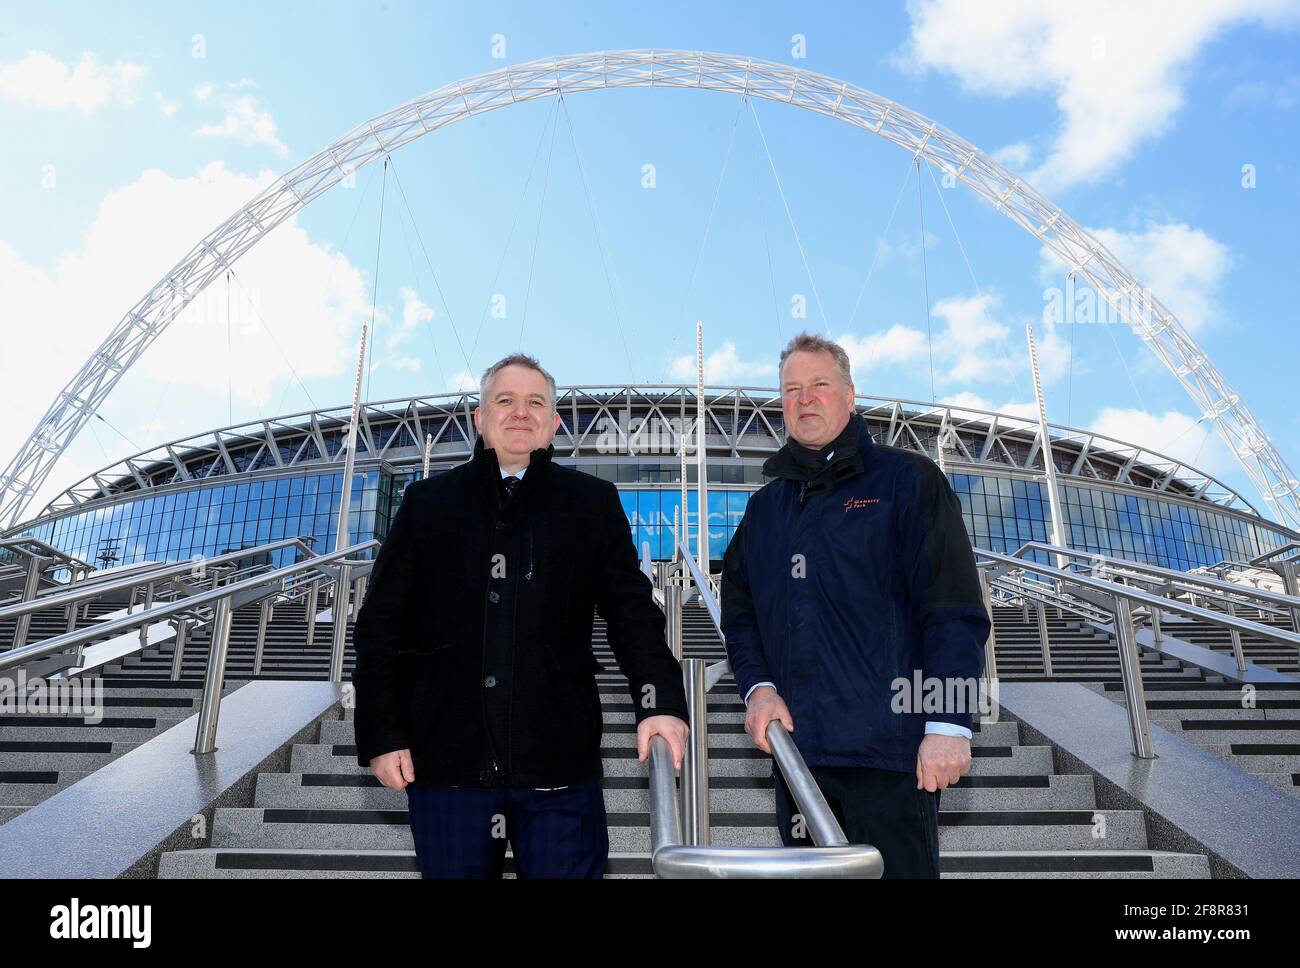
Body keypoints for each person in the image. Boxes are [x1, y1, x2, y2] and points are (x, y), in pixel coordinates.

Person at [351, 353, 689, 879]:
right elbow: (381, 624)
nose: (520, 412)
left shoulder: (591, 503)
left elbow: (631, 612)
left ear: (555, 423)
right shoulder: (427, 503)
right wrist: (382, 732)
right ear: (479, 419)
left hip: (558, 764)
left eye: (536, 402)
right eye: (504, 400)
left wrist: (660, 700)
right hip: (447, 765)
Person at [720, 331, 989, 878]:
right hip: (799, 760)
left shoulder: (907, 481)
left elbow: (953, 609)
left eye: (819, 385)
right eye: (792, 389)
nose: (805, 399)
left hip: (891, 756)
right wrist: (757, 685)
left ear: (849, 395)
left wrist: (949, 723)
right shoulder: (766, 508)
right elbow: (740, 609)